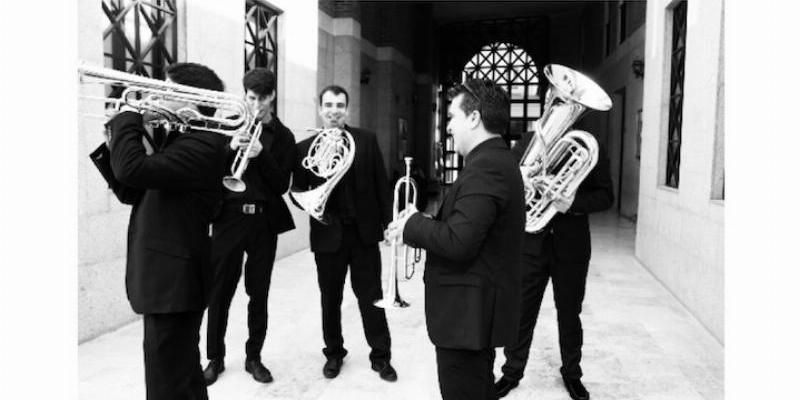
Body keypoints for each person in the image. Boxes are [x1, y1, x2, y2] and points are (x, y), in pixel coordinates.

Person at [89, 62, 230, 400]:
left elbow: (134, 169)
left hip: (175, 284)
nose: (153, 97)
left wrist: (127, 118)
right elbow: (131, 191)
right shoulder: (178, 139)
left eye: (164, 91)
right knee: (181, 378)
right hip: (167, 281)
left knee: (167, 386)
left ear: (188, 100)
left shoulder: (205, 145)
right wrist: (113, 141)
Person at [385, 79, 524, 400]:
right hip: (472, 316)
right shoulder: (494, 161)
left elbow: (460, 242)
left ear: (474, 118)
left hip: (468, 319)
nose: (448, 127)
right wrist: (427, 223)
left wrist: (413, 226)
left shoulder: (486, 167)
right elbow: (471, 227)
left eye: (452, 117)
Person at [493, 128, 614, 400]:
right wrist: (526, 178)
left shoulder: (591, 146)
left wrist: (573, 202)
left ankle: (572, 375)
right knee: (522, 312)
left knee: (570, 314)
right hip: (531, 244)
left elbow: (607, 196)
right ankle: (512, 372)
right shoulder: (528, 142)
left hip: (571, 246)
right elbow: (507, 185)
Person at [291, 85, 397, 382]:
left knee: (371, 298)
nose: (334, 110)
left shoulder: (365, 140)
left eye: (340, 105)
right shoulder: (304, 148)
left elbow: (381, 185)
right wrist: (315, 198)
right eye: (328, 105)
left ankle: (381, 356)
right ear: (320, 108)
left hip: (363, 235)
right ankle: (334, 354)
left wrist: (389, 223)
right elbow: (296, 192)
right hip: (328, 235)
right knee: (330, 300)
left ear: (347, 109)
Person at [202, 68, 297, 386]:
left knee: (259, 294)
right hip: (228, 218)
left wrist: (262, 155)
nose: (255, 105)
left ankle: (254, 357)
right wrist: (229, 148)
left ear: (272, 97)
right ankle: (214, 357)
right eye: (251, 98)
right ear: (245, 95)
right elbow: (208, 169)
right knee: (219, 292)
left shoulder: (283, 138)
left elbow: (282, 184)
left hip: (262, 222)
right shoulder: (229, 124)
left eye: (261, 99)